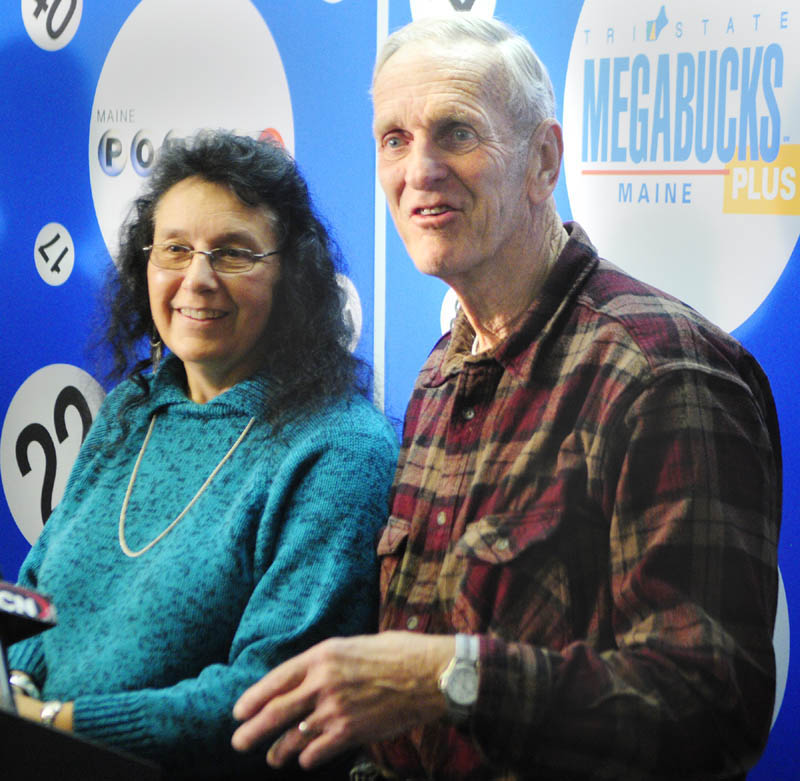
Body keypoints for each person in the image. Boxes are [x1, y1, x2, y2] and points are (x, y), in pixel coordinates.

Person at [230, 15, 783, 781]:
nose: (419, 171)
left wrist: (452, 677)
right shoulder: (442, 367)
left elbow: (709, 711)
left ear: (543, 160)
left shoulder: (662, 373)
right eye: (394, 139)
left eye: (456, 133)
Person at [7, 130, 398, 779]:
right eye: (175, 249)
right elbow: (34, 597)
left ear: (293, 274)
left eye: (233, 253)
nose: (197, 279)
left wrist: (58, 723)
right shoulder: (131, 411)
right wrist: (14, 687)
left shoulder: (339, 448)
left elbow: (271, 692)